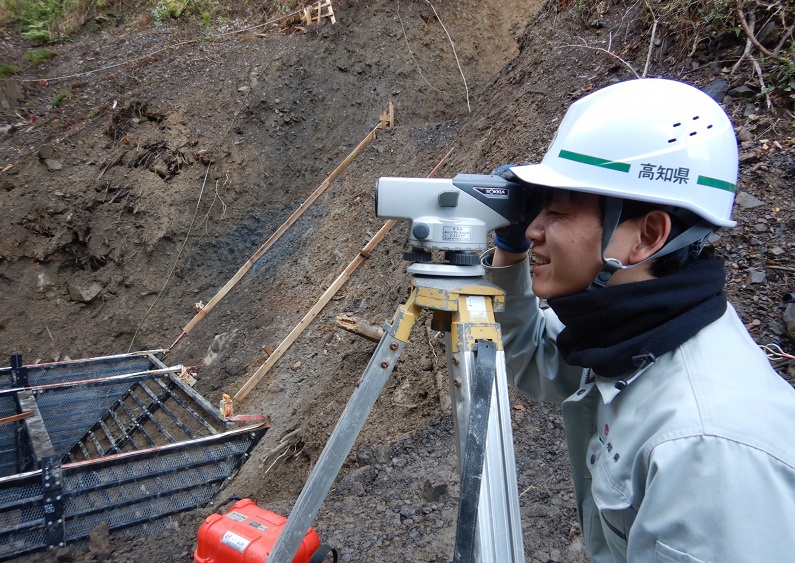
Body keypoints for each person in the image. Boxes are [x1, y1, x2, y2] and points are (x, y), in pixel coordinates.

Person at [483, 78, 795, 562]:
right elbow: (534, 358)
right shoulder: (638, 335)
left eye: (558, 211)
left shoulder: (706, 451)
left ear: (647, 235)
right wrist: (510, 251)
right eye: (535, 210)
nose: (534, 228)